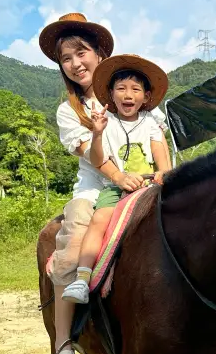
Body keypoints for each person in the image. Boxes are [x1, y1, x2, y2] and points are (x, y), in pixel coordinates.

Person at [38, 14, 171, 354]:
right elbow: (90, 153)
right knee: (74, 238)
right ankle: (64, 344)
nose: (76, 63)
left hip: (145, 185)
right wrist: (120, 178)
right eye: (66, 58)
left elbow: (158, 142)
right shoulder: (70, 111)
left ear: (99, 53)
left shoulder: (130, 97)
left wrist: (163, 175)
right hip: (96, 191)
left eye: (82, 52)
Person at [62, 54, 171, 307]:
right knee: (99, 219)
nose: (128, 94)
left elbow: (161, 155)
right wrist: (97, 134)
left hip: (150, 186)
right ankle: (82, 277)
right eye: (121, 89)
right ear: (110, 94)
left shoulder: (151, 123)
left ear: (146, 96)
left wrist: (163, 173)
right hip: (116, 186)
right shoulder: (104, 122)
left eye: (135, 89)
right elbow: (97, 159)